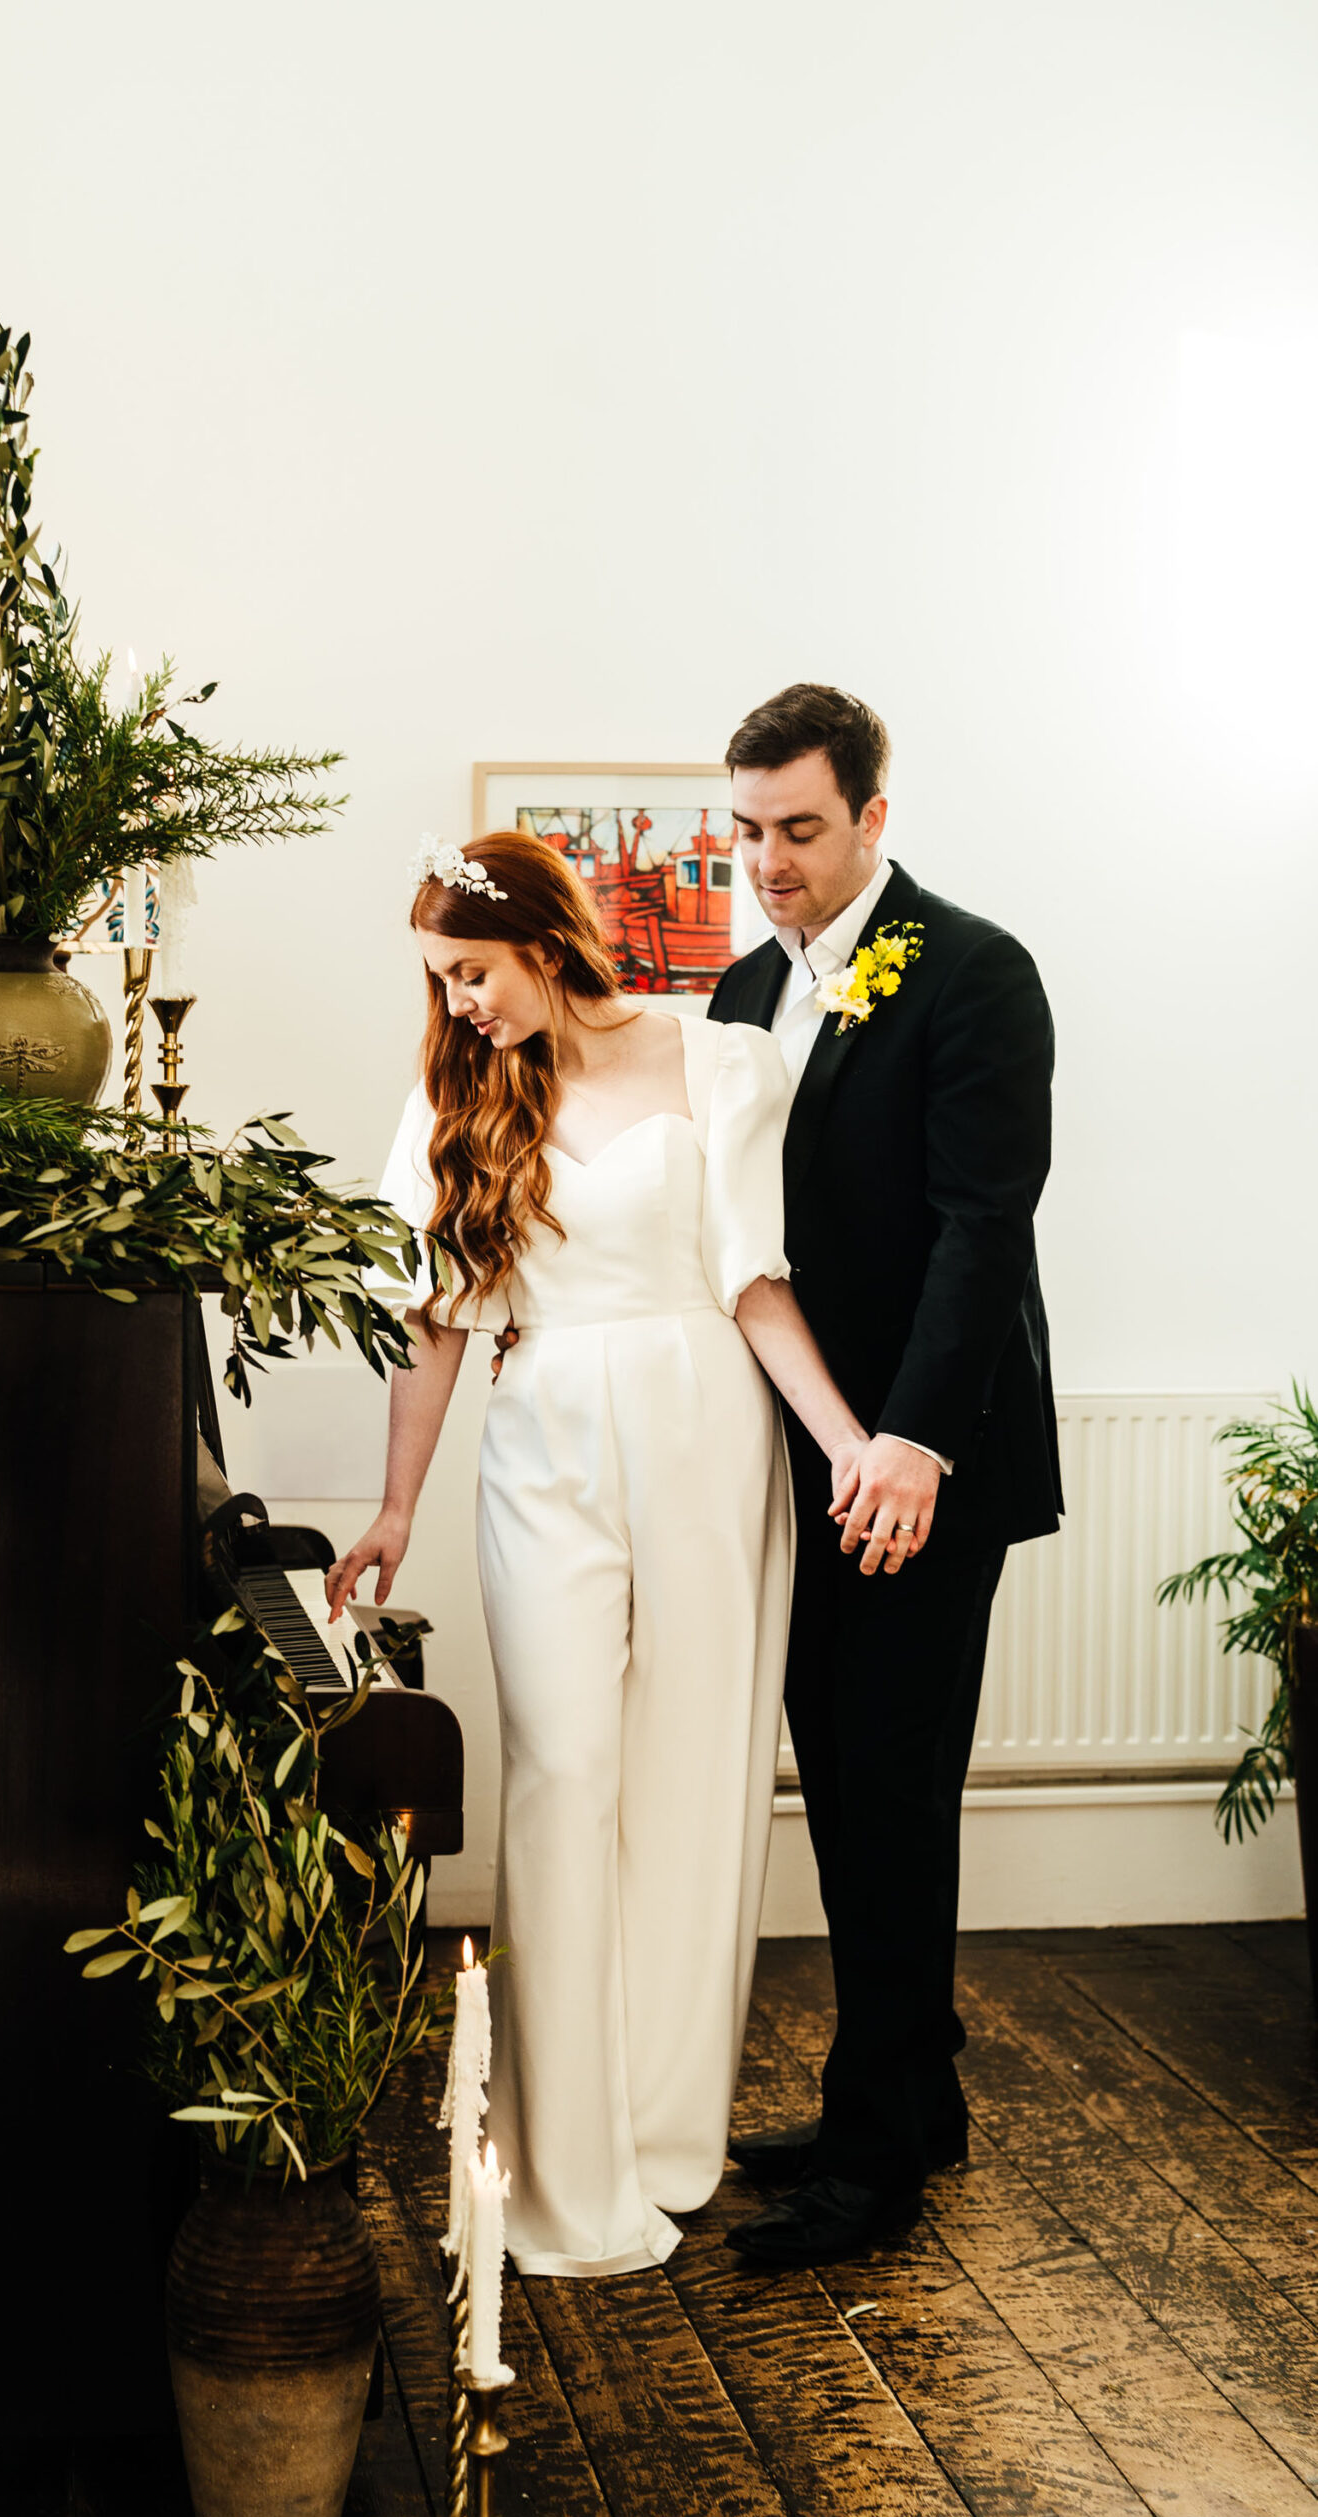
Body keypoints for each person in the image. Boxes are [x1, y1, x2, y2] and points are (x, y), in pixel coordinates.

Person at [325, 830, 868, 2277]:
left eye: (473, 974)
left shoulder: (722, 1062)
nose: (457, 1007)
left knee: (692, 1781)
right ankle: (565, 2175)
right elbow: (435, 1322)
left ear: (548, 945)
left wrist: (847, 1443)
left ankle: (667, 2136)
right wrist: (392, 1509)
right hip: (545, 1437)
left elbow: (753, 1281)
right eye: (441, 982)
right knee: (561, 1777)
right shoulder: (455, 1096)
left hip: (705, 1430)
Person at [708, 683, 1061, 2267]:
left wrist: (909, 1441)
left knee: (896, 1793)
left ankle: (877, 2164)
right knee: (840, 1788)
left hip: (932, 1457)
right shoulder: (732, 996)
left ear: (871, 817)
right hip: (801, 1457)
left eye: (800, 829)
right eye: (750, 831)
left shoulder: (977, 974)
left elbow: (983, 1232)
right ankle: (911, 2099)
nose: (770, 863)